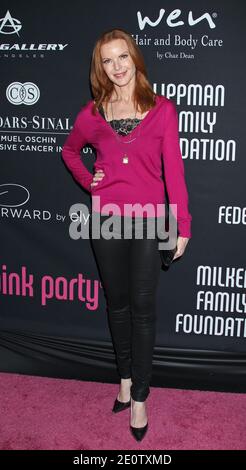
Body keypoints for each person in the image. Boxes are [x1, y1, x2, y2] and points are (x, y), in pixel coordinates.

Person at [61, 28, 192, 442]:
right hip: (107, 221)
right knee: (116, 306)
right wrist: (90, 182)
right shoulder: (93, 112)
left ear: (135, 59)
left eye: (122, 57)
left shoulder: (162, 110)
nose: (116, 67)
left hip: (151, 220)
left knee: (143, 308)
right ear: (99, 67)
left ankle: (139, 396)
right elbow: (69, 151)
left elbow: (174, 170)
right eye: (107, 60)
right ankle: (122, 378)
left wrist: (182, 225)